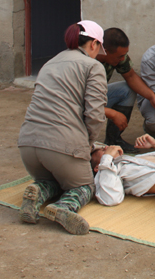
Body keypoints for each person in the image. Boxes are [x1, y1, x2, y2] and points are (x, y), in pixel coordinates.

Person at [17, 20, 108, 235]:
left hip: (27, 145)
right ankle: (63, 207)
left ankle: (38, 191)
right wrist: (86, 146)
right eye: (99, 48)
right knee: (83, 186)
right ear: (93, 44)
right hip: (61, 146)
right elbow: (95, 115)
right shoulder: (93, 66)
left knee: (54, 179)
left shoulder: (50, 62)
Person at [96, 27, 155, 153]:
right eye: (120, 56)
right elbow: (81, 102)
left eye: (124, 54)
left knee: (127, 90)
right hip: (76, 105)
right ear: (105, 51)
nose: (123, 59)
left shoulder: (118, 57)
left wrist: (152, 97)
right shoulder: (86, 63)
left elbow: (131, 76)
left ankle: (113, 140)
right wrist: (113, 114)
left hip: (96, 97)